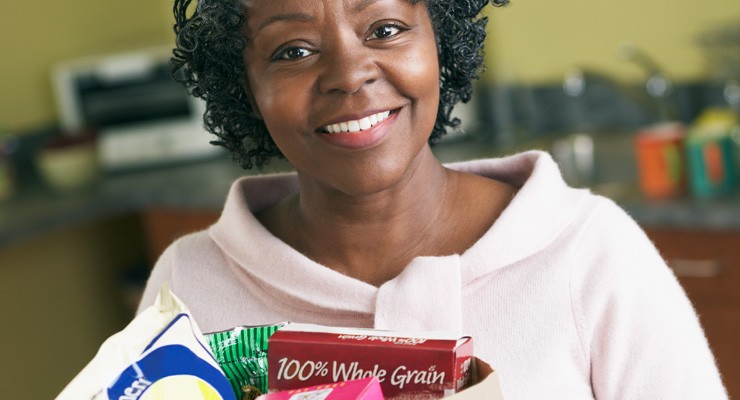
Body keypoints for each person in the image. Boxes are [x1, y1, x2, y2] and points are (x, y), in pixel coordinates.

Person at [138, 0, 728, 398]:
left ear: (440, 41)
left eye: (385, 30)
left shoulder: (590, 251)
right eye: (293, 51)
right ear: (246, 88)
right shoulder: (190, 284)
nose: (349, 73)